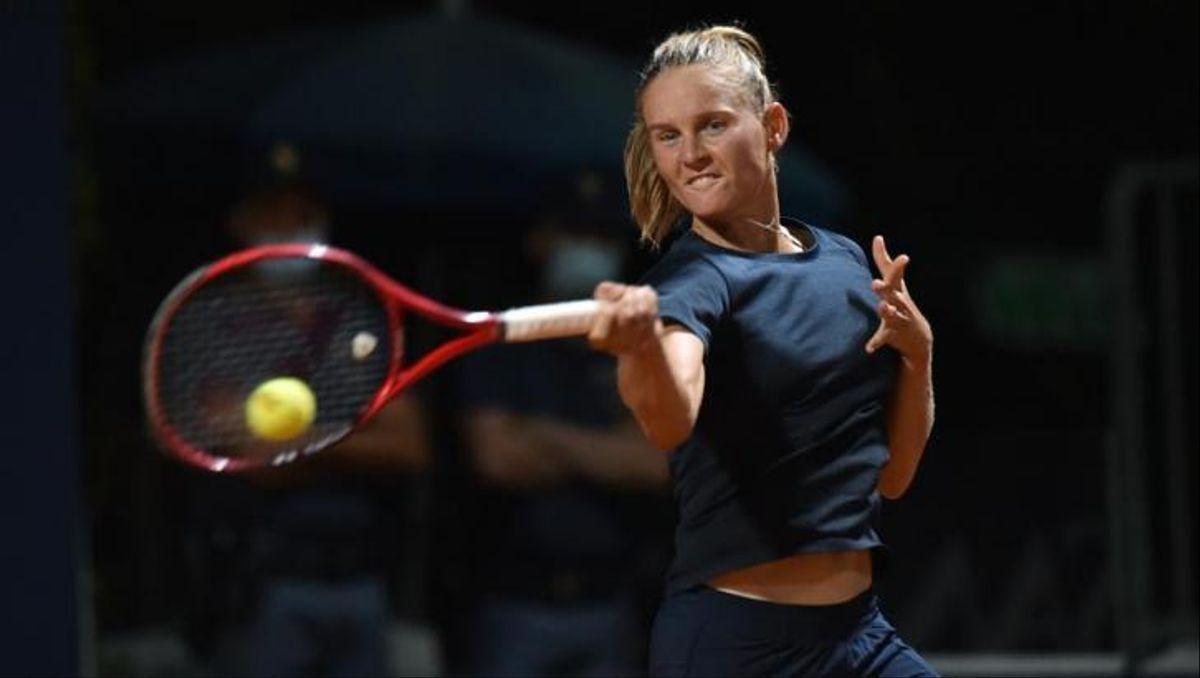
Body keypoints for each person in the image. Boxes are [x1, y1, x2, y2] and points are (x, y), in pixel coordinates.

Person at [586, 26, 938, 676]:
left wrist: (919, 357)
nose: (689, 154)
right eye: (668, 135)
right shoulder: (692, 283)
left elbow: (893, 476)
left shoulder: (847, 262)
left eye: (712, 125)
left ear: (772, 125)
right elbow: (667, 416)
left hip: (860, 635)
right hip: (735, 648)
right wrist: (641, 355)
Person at [184, 174, 437, 677]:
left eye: (303, 213)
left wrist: (295, 444)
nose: (292, 227)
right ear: (239, 222)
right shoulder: (209, 322)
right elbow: (235, 451)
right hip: (261, 588)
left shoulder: (359, 320)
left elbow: (408, 446)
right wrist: (354, 430)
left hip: (361, 580)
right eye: (274, 212)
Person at [450, 173, 672, 675]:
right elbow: (498, 458)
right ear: (540, 241)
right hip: (512, 605)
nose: (589, 250)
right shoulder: (500, 342)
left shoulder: (640, 348)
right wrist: (605, 451)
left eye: (601, 238)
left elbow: (655, 465)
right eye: (576, 234)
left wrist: (543, 437)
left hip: (609, 604)